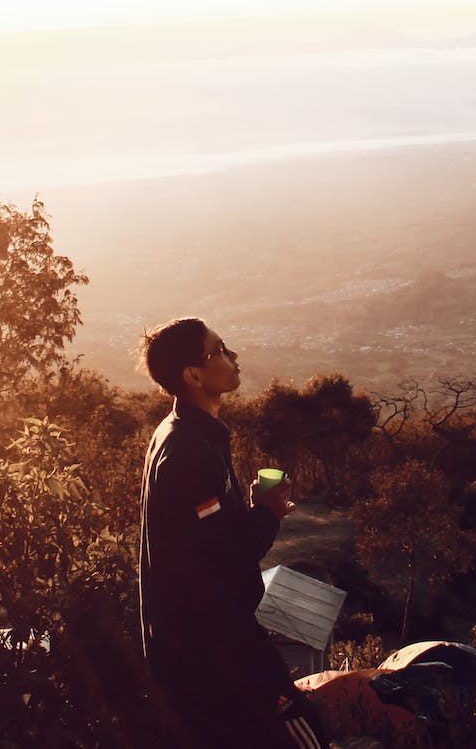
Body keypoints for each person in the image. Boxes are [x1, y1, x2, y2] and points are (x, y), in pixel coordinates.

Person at [137, 317, 324, 748]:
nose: (232, 356)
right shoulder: (187, 451)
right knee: (302, 733)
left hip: (198, 648)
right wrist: (268, 513)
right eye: (219, 350)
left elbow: (203, 542)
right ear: (194, 375)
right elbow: (225, 558)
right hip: (213, 652)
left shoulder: (187, 434)